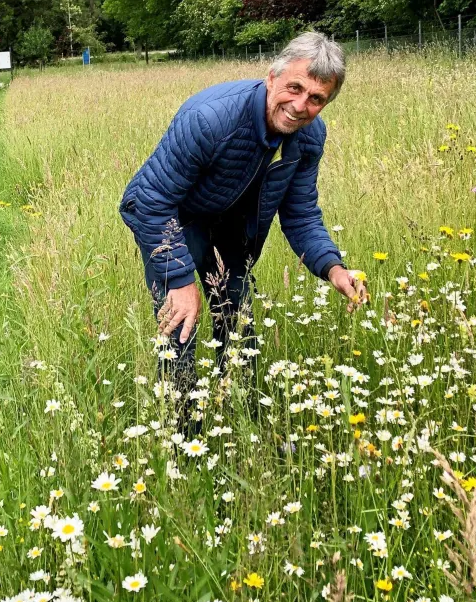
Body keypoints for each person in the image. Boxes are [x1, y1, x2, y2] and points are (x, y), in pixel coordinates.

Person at [118, 31, 367, 430]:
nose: (300, 106)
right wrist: (180, 279)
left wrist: (334, 269)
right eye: (294, 87)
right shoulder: (210, 119)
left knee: (239, 324)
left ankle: (238, 424)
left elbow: (300, 214)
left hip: (234, 228)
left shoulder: (309, 138)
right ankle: (186, 438)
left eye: (316, 98)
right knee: (181, 327)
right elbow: (146, 200)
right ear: (272, 77)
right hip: (176, 221)